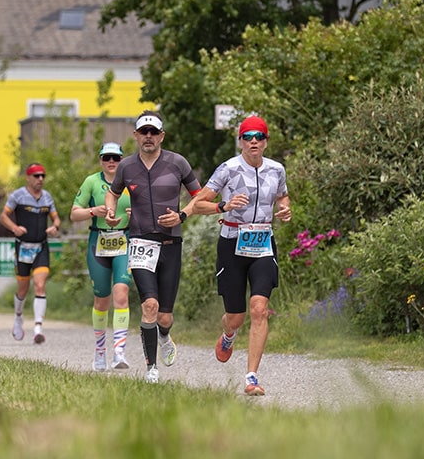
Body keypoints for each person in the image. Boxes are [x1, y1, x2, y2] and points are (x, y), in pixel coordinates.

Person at [183, 115, 291, 396]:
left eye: (259, 136)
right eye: (247, 137)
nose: (253, 141)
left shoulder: (277, 169)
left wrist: (285, 209)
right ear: (241, 141)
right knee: (236, 316)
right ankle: (228, 335)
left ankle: (251, 377)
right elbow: (197, 203)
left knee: (260, 309)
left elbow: (282, 196)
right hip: (232, 244)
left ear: (266, 141)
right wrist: (224, 205)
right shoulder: (228, 169)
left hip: (263, 243)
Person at [105, 112, 201, 383]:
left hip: (171, 243)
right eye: (143, 132)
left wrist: (183, 215)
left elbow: (200, 196)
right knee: (150, 304)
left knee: (165, 316)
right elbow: (113, 192)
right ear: (135, 135)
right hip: (140, 242)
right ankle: (151, 368)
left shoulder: (177, 163)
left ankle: (165, 336)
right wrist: (111, 212)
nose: (148, 137)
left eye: (153, 132)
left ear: (161, 136)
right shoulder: (126, 166)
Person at [70, 142, 133, 371]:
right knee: (101, 300)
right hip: (99, 242)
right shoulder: (91, 182)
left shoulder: (130, 182)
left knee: (122, 294)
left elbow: (149, 211)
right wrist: (92, 212)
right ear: (100, 160)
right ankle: (100, 352)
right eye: (107, 158)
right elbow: (74, 214)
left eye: (116, 158)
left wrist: (135, 214)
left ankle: (119, 351)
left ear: (122, 160)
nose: (111, 162)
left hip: (124, 242)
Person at [0, 162, 61, 344]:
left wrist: (55, 227)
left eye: (43, 176)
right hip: (23, 247)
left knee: (40, 284)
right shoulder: (18, 195)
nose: (40, 179)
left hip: (41, 246)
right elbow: (3, 216)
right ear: (28, 177)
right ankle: (18, 316)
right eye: (36, 176)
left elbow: (56, 217)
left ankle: (38, 328)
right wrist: (14, 228)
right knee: (23, 288)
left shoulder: (47, 197)